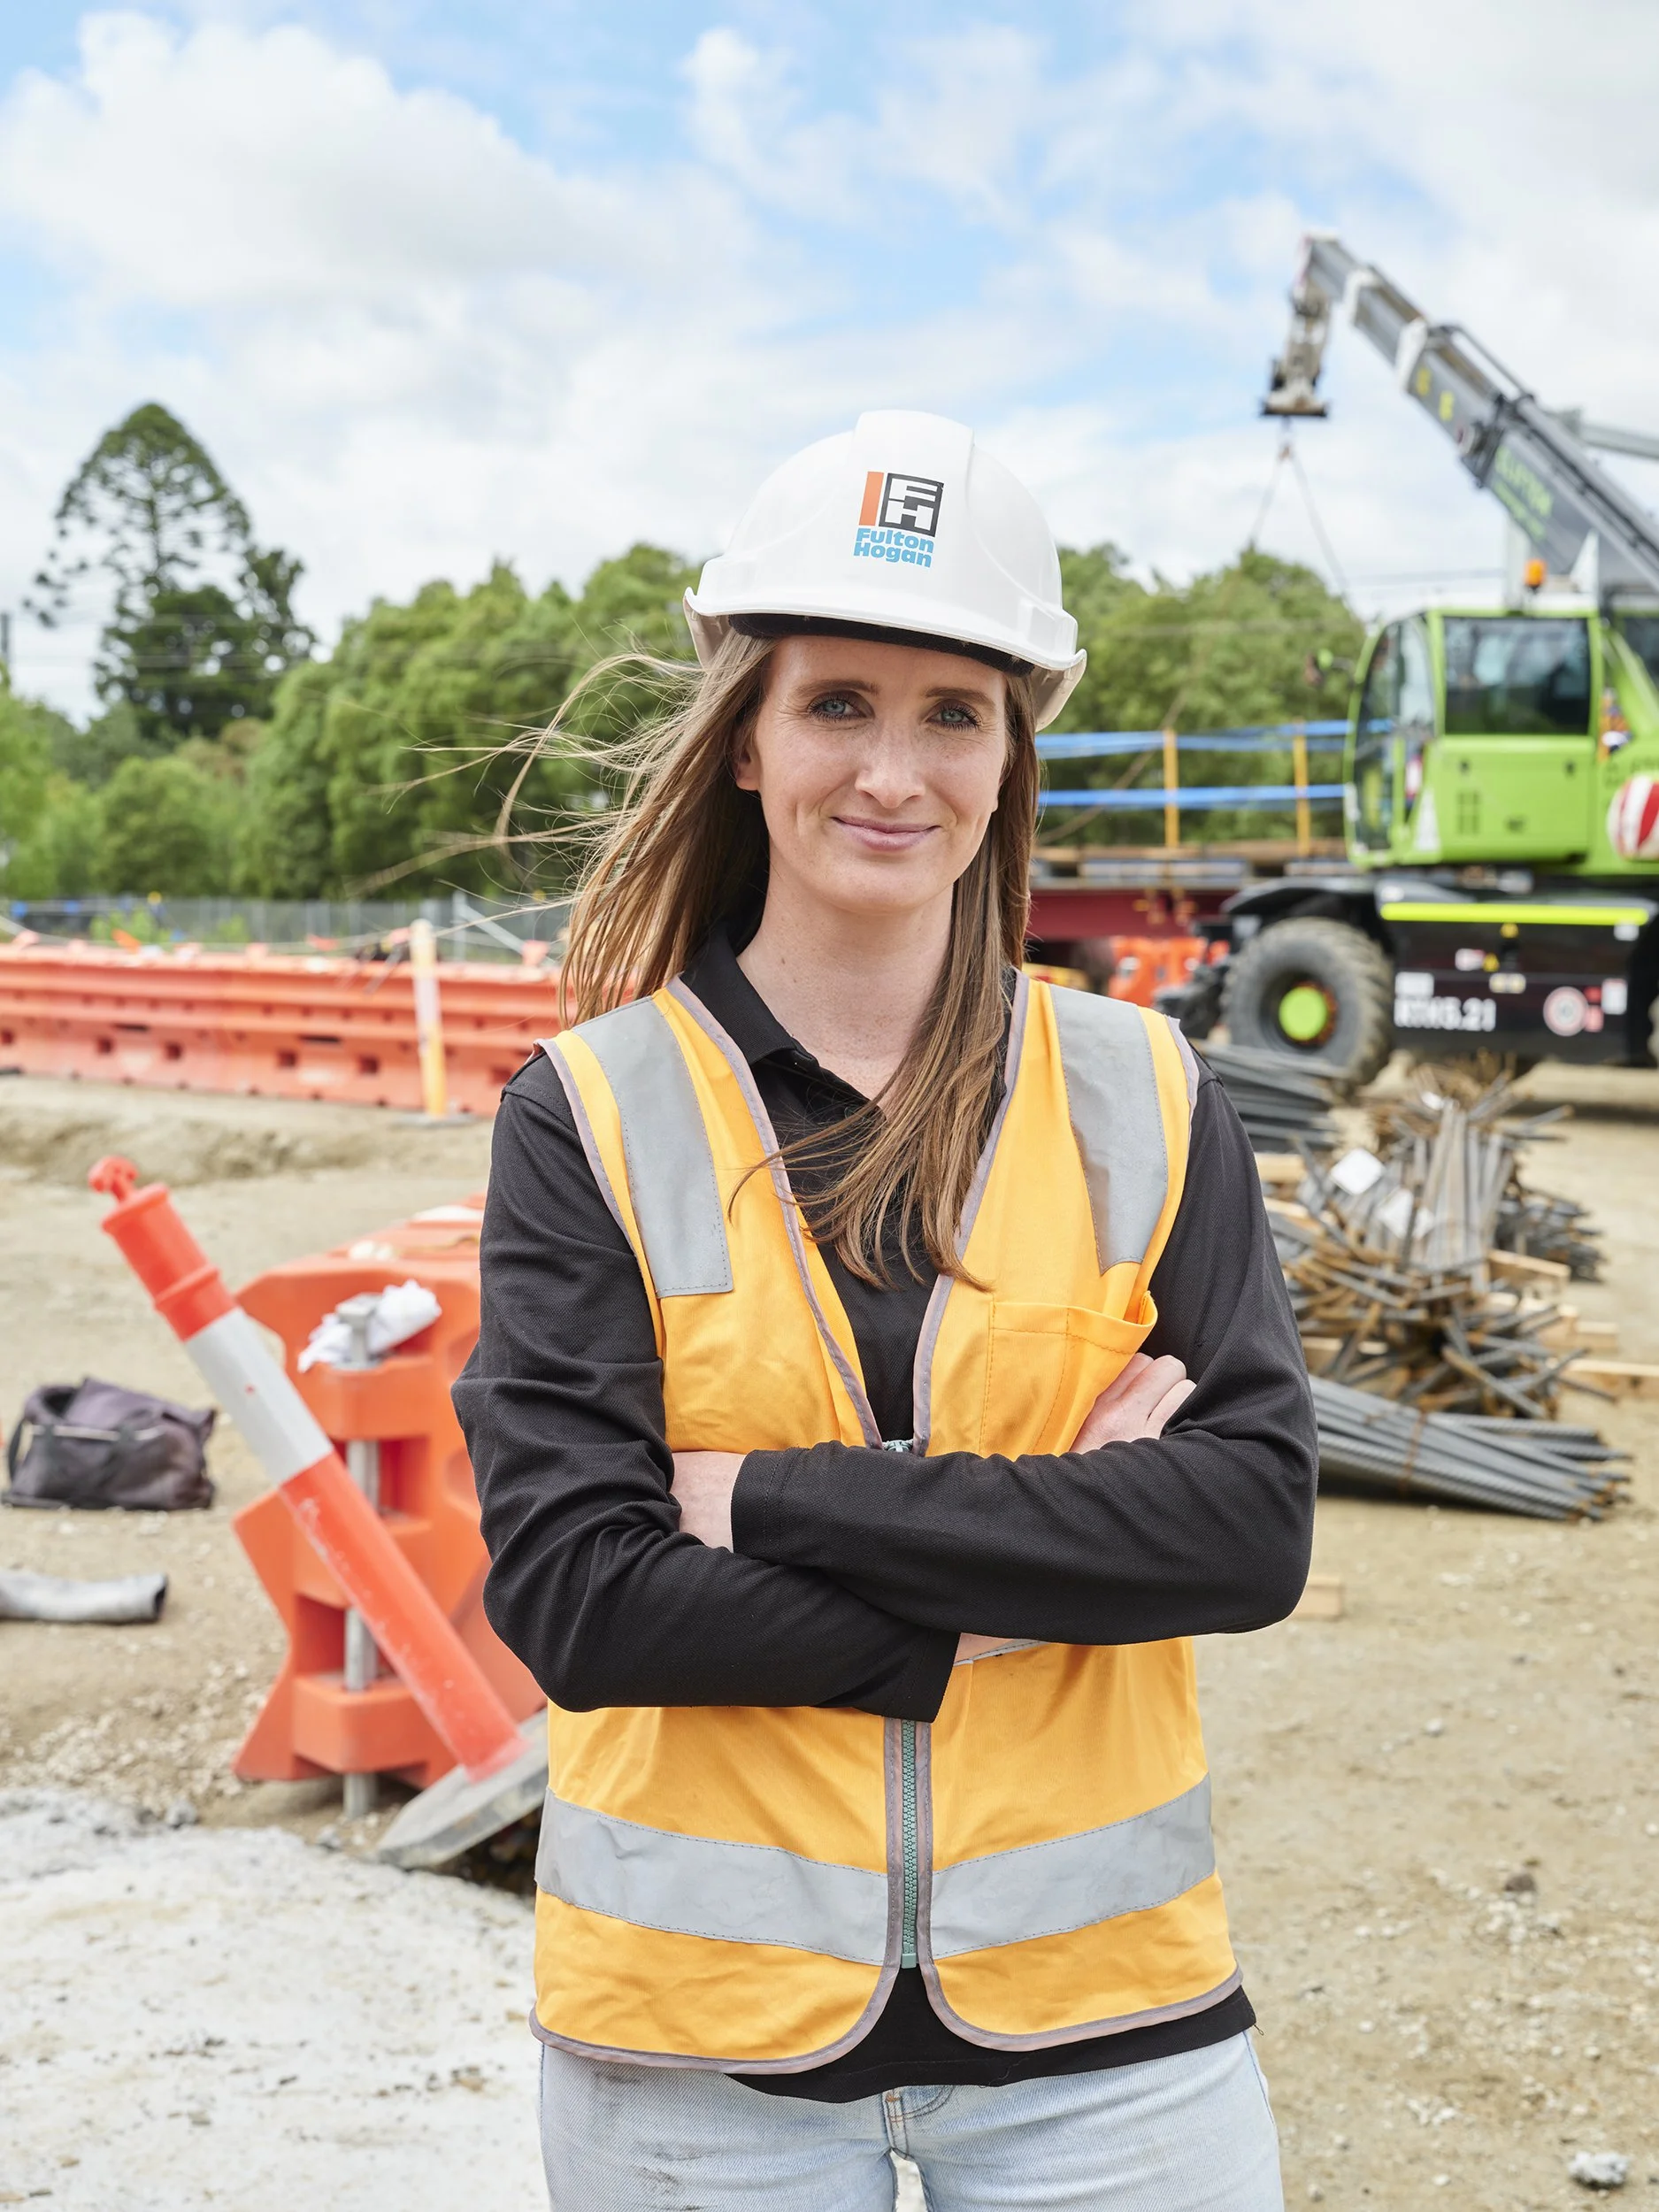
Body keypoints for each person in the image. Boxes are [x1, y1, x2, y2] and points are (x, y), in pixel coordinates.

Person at [456, 410, 1317, 2210]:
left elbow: (1241, 1527)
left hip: (1110, 2046)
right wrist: (990, 1610)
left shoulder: (1139, 1088)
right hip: (698, 2057)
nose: (895, 766)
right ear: (748, 740)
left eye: (954, 711)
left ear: (1011, 755)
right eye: (839, 701)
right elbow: (579, 1593)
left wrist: (767, 1498)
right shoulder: (593, 1107)